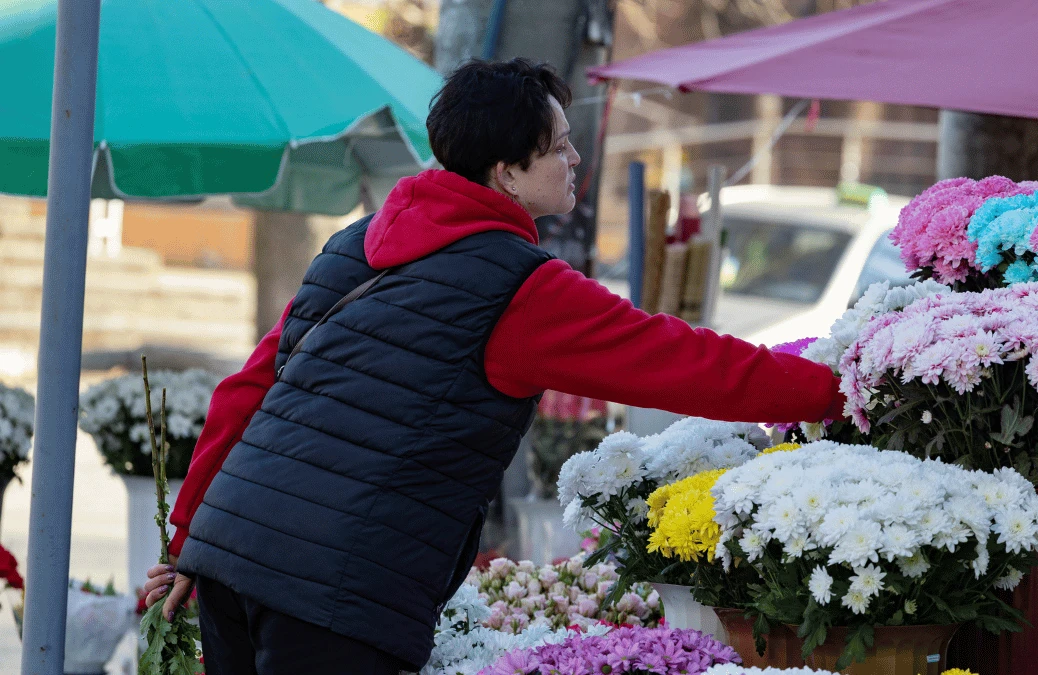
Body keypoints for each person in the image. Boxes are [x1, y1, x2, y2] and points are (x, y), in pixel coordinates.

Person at [143, 58, 844, 675]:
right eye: (559, 148)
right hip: (335, 588)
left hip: (232, 557)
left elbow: (248, 391)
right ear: (506, 172)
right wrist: (842, 389)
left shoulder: (352, 246)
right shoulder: (521, 286)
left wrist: (186, 543)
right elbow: (685, 361)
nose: (575, 160)